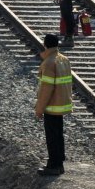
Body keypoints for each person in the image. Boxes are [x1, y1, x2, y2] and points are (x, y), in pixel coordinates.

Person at [35, 32, 73, 176]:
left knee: (52, 137)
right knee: (58, 135)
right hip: (61, 105)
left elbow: (46, 89)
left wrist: (39, 109)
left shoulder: (49, 63)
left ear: (45, 45)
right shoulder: (64, 59)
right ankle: (59, 163)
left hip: (51, 106)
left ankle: (53, 165)